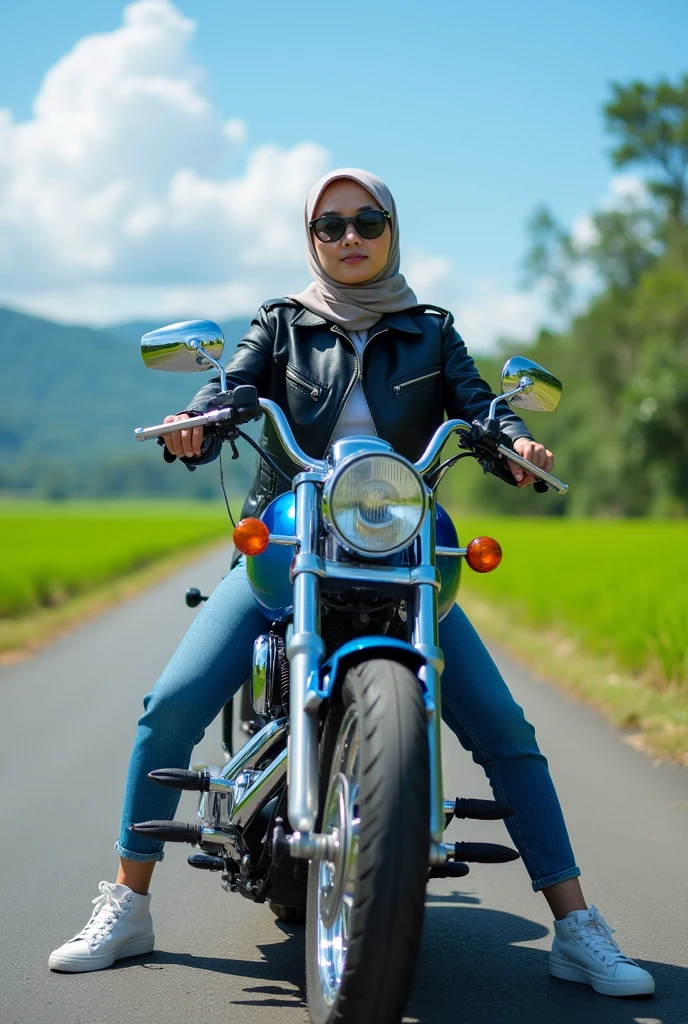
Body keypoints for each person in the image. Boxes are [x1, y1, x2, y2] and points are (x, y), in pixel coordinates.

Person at [49, 169, 654, 998]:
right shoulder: (282, 323)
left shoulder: (431, 330)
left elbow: (480, 406)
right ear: (311, 238)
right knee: (172, 703)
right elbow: (234, 383)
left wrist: (514, 444)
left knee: (508, 733)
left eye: (367, 220)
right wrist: (202, 416)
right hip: (290, 548)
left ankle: (578, 927)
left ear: (391, 229)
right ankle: (127, 899)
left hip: (396, 546)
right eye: (330, 226)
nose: (350, 237)